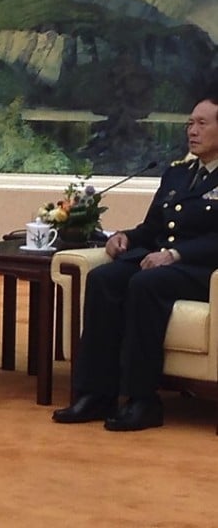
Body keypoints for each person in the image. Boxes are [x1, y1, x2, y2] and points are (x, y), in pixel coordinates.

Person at [53, 88, 218, 431]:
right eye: (189, 123)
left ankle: (142, 400)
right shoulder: (177, 174)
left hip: (202, 269)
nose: (192, 131)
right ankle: (96, 394)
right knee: (104, 277)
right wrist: (124, 237)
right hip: (163, 260)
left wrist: (175, 254)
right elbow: (153, 227)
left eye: (202, 123)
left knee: (146, 283)